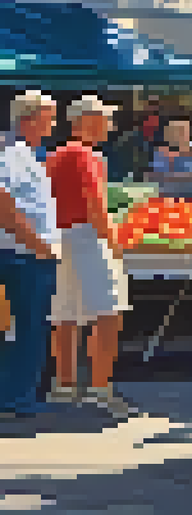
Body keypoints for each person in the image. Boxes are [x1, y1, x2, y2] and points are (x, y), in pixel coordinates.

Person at [46, 95, 134, 417]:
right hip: (86, 235)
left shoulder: (54, 156)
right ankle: (100, 390)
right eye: (105, 119)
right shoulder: (87, 156)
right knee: (109, 310)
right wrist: (114, 244)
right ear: (87, 121)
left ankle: (64, 386)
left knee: (64, 314)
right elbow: (96, 204)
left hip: (58, 236)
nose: (110, 125)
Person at [0, 92, 61, 417]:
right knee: (24, 329)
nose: (54, 123)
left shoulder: (26, 153)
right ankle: (15, 399)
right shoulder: (11, 153)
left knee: (26, 328)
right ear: (30, 118)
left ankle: (19, 395)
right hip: (20, 256)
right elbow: (4, 206)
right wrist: (39, 245)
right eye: (49, 116)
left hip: (25, 254)